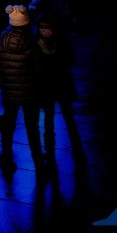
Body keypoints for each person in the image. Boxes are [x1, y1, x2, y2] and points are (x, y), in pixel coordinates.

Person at [0, 4, 46, 178]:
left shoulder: (2, 39)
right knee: (32, 129)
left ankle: (7, 160)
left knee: (8, 127)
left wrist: (4, 85)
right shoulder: (31, 42)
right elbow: (38, 70)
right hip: (30, 93)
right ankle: (39, 164)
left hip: (9, 92)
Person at [36, 14, 85, 165]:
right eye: (42, 28)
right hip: (49, 86)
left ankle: (74, 148)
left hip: (59, 85)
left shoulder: (58, 42)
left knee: (66, 118)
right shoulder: (39, 42)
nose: (44, 31)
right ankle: (52, 149)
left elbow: (70, 59)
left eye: (47, 28)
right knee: (51, 119)